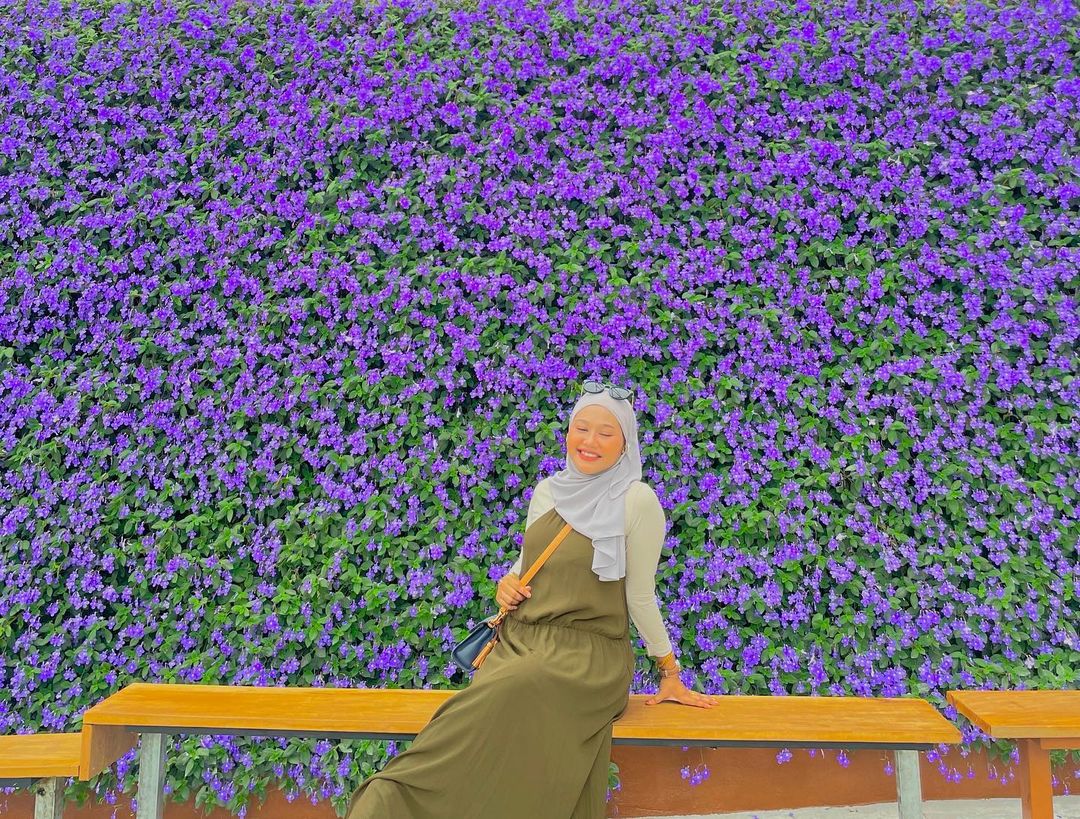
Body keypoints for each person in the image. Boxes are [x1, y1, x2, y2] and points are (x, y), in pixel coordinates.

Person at [346, 381, 718, 819]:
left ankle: (400, 799)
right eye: (582, 428)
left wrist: (668, 671)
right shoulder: (549, 490)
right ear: (568, 433)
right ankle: (396, 799)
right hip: (521, 641)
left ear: (625, 443)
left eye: (606, 432)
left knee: (519, 684)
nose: (590, 441)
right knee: (482, 707)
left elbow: (639, 596)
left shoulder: (637, 501)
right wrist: (507, 583)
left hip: (588, 657)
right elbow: (526, 567)